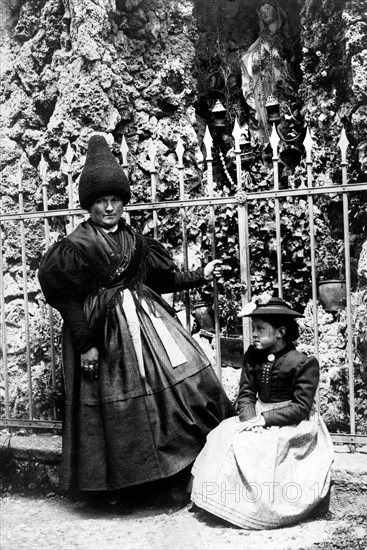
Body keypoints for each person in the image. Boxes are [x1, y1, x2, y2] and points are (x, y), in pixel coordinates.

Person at [38, 134, 234, 504]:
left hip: (146, 325)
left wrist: (200, 274)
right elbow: (68, 303)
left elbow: (163, 279)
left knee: (188, 381)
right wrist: (87, 346)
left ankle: (177, 474)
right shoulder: (76, 247)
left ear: (124, 202)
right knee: (119, 405)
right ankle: (119, 488)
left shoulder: (135, 241)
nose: (108, 208)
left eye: (115, 200)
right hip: (102, 334)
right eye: (100, 202)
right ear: (89, 206)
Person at [190, 295, 334, 530]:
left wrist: (265, 420)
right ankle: (223, 504)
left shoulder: (303, 363)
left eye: (259, 329)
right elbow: (246, 394)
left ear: (280, 332)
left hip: (293, 423)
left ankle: (261, 511)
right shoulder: (252, 356)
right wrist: (251, 419)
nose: (253, 334)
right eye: (253, 328)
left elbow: (300, 408)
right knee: (222, 435)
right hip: (258, 416)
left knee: (264, 446)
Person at [241, 1, 301, 144]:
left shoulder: (288, 35)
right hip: (265, 86)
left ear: (277, 10)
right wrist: (262, 55)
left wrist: (282, 58)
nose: (264, 12)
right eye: (261, 11)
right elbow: (246, 59)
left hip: (283, 87)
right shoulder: (262, 39)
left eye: (267, 8)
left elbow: (293, 59)